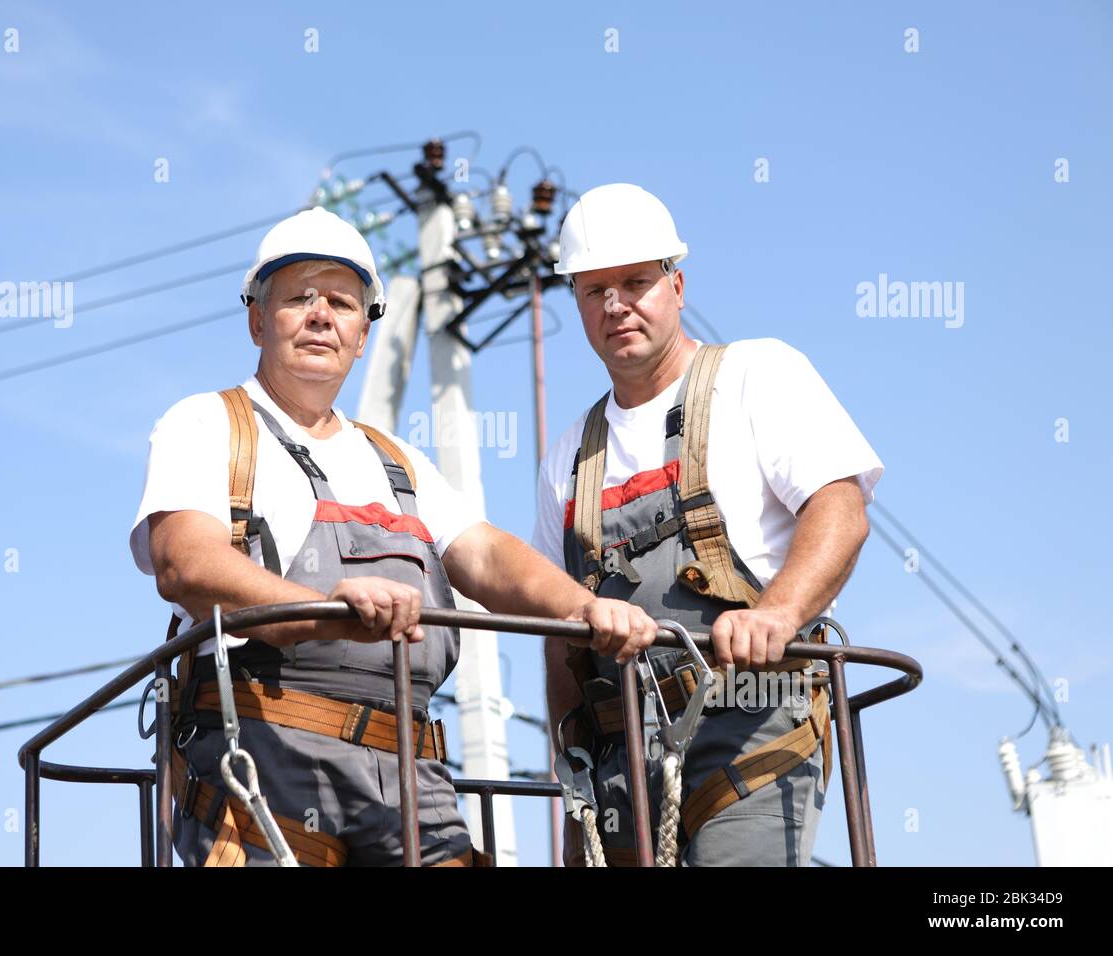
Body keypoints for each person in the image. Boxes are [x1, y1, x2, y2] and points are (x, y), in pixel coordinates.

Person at [130, 206, 656, 866]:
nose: (322, 315)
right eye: (299, 298)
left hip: (409, 778)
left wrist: (581, 608)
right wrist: (321, 614)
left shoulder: (399, 464)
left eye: (343, 304)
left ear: (362, 334)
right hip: (262, 756)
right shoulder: (209, 426)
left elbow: (488, 555)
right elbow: (185, 561)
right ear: (258, 320)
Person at [535, 183, 884, 866]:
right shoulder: (569, 452)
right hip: (622, 750)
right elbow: (559, 638)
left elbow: (840, 512)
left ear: (677, 284)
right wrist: (571, 777)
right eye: (594, 289)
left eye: (635, 281)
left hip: (753, 724)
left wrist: (776, 617)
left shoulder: (758, 376)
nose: (615, 305)